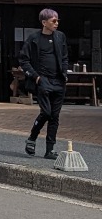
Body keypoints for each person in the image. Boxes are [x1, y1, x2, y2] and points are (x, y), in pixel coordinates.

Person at [19, 8, 69, 161]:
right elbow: (23, 60)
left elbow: (65, 57)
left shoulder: (60, 37)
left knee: (55, 116)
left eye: (57, 20)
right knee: (46, 113)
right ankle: (32, 138)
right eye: (54, 21)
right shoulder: (34, 38)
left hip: (58, 81)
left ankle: (50, 150)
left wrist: (65, 74)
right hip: (43, 80)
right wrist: (36, 77)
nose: (56, 23)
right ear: (44, 22)